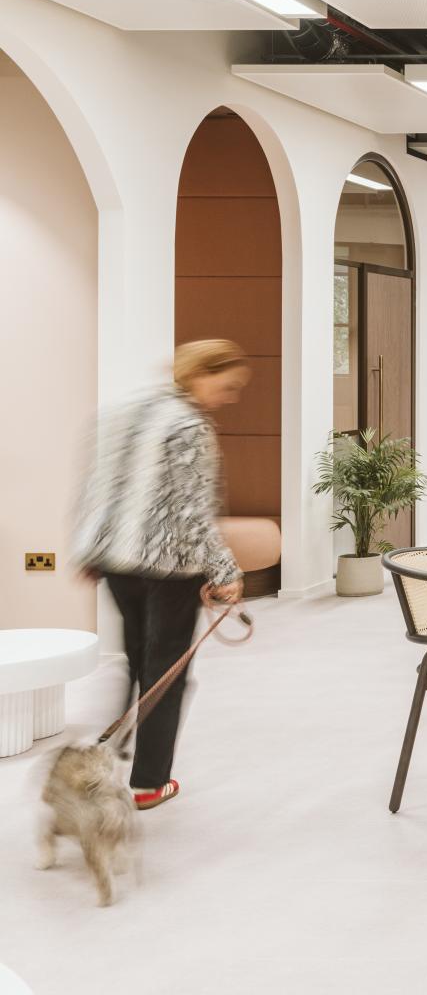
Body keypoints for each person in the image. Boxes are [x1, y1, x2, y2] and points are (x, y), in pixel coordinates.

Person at [74, 340, 250, 812]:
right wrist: (225, 571)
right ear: (199, 373)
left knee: (138, 660)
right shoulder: (188, 425)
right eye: (226, 385)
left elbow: (96, 486)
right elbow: (192, 513)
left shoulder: (121, 412)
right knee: (167, 671)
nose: (228, 398)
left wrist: (89, 549)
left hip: (116, 559)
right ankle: (150, 783)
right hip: (169, 566)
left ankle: (112, 750)